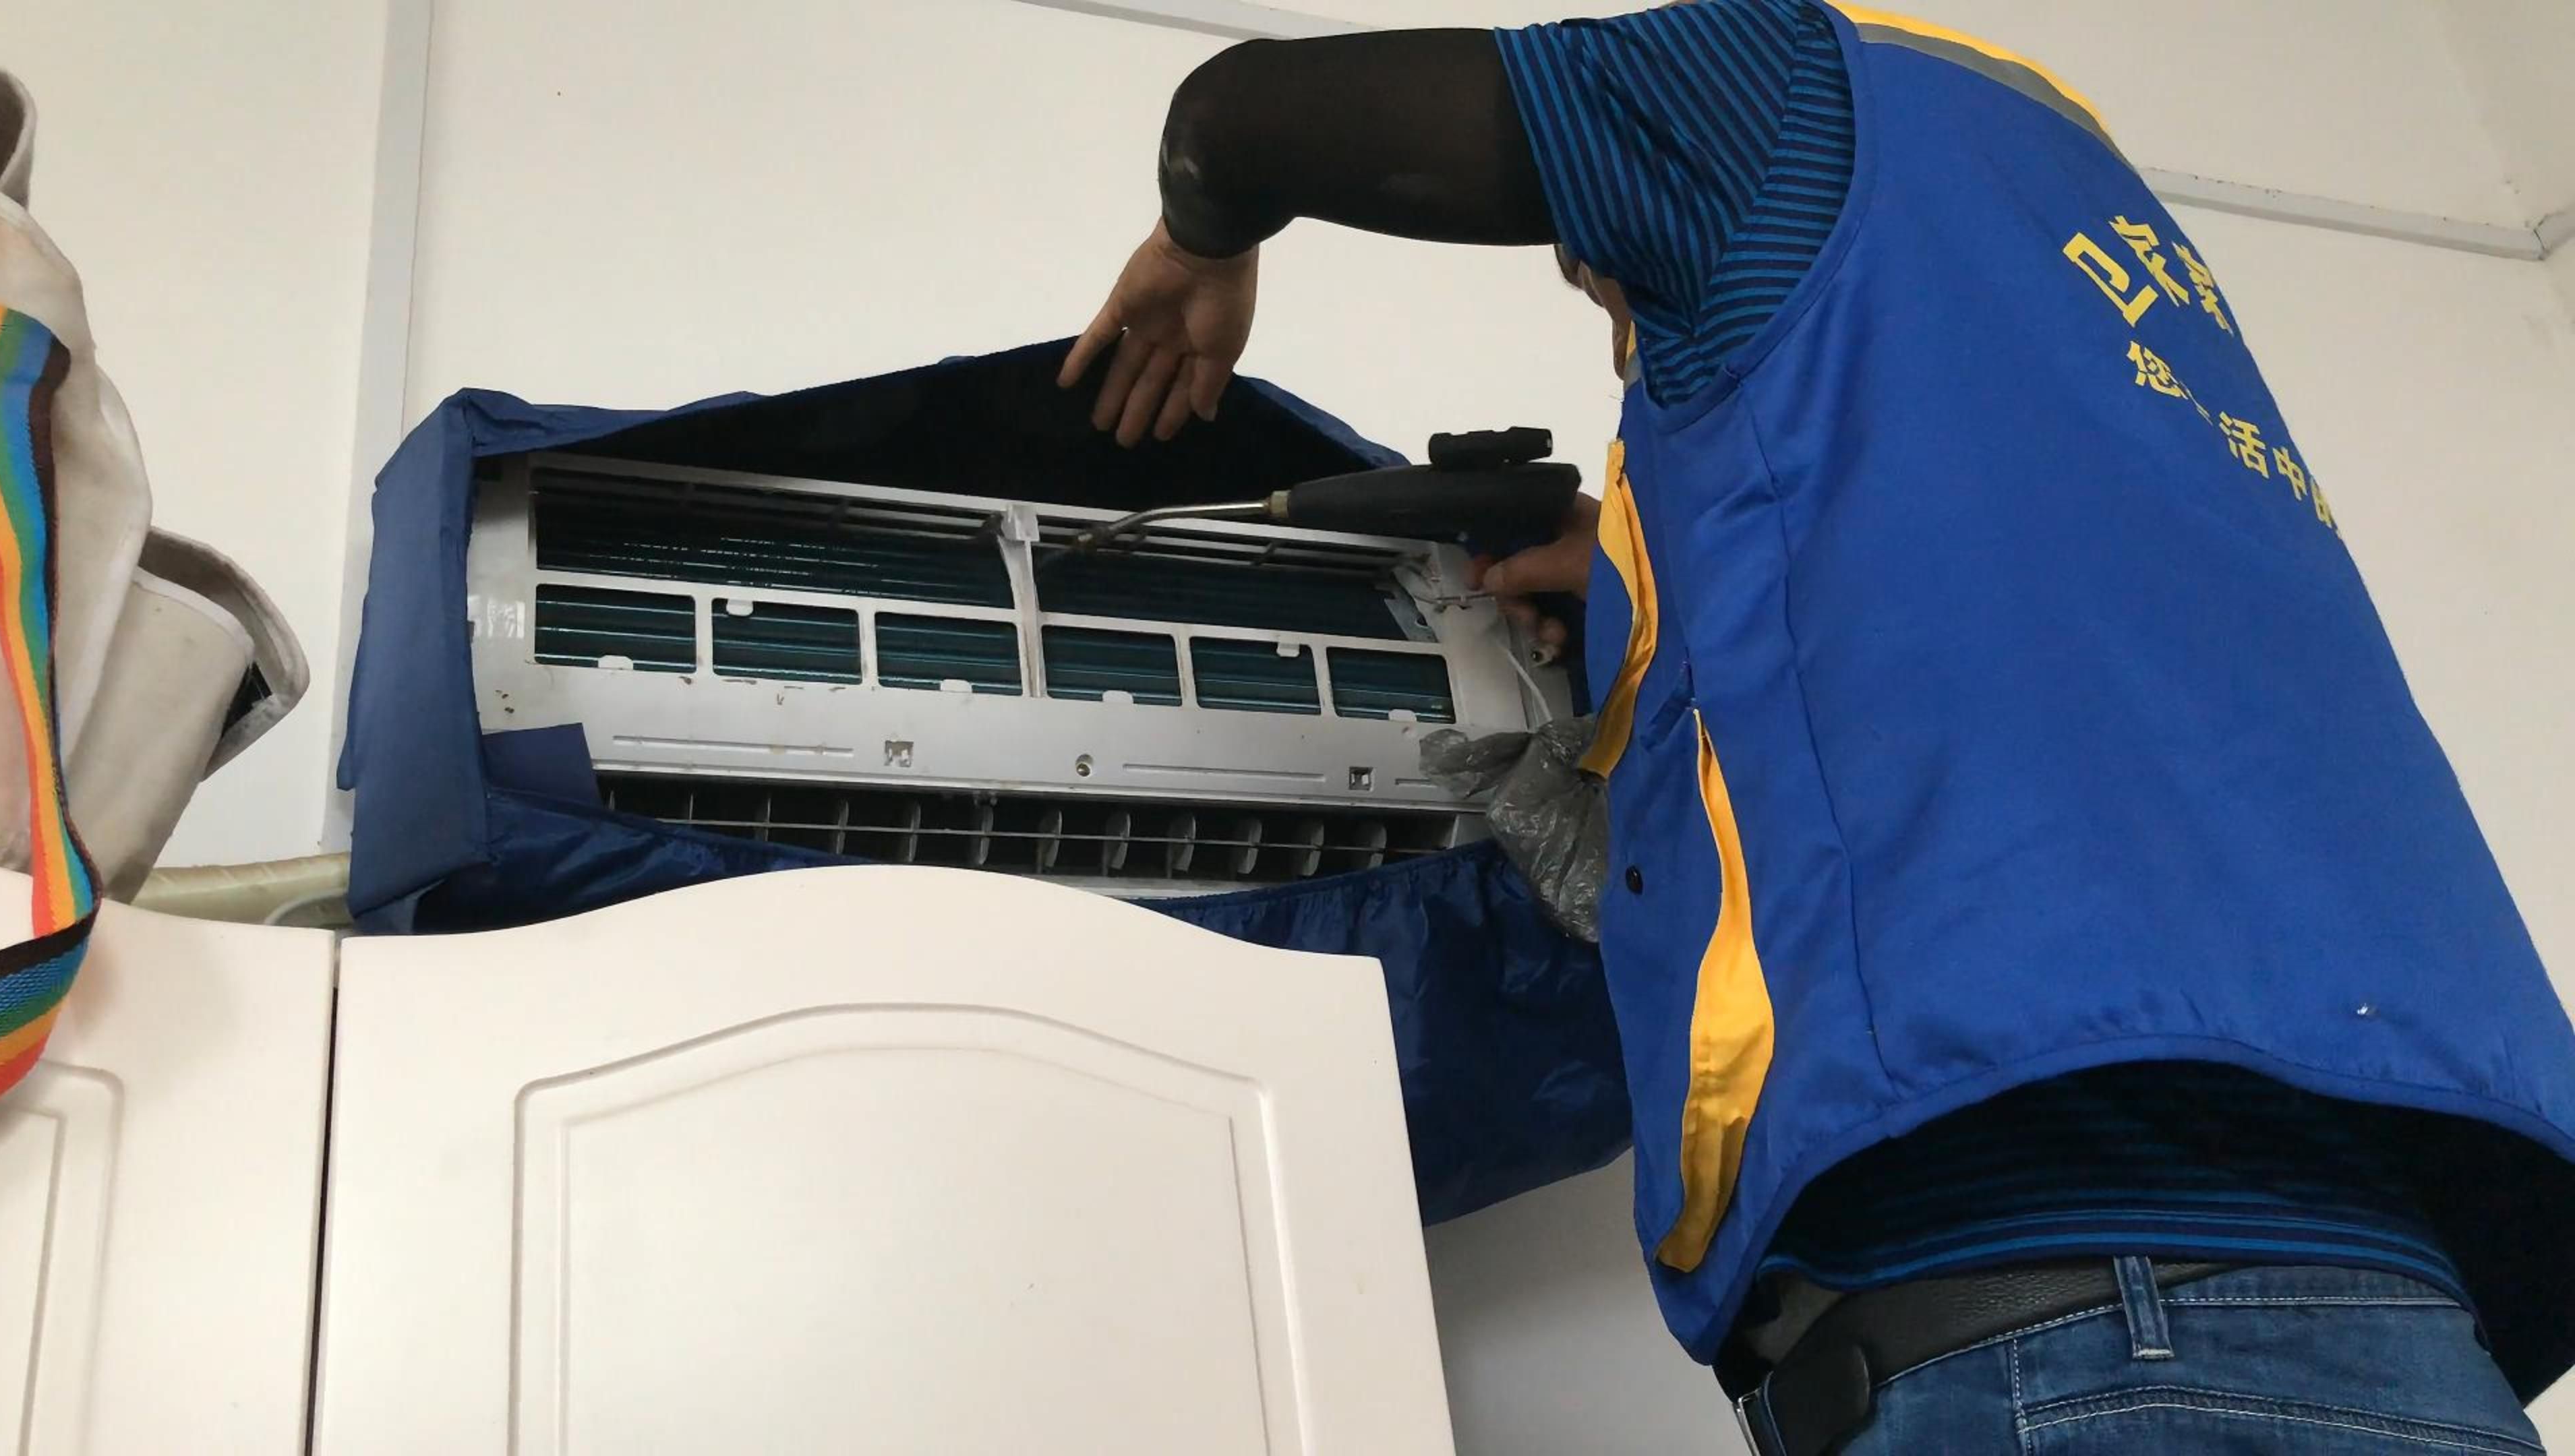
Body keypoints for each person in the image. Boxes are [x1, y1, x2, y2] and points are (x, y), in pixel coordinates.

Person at [1057, 5, 2575, 1453]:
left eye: (1601, 283)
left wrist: (1201, 248)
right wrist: (1655, 592)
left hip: (2050, 1341)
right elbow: (1972, 599)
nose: (1611, 317)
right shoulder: (2100, 268)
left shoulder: (1779, 89)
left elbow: (1241, 117)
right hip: (2415, 1332)